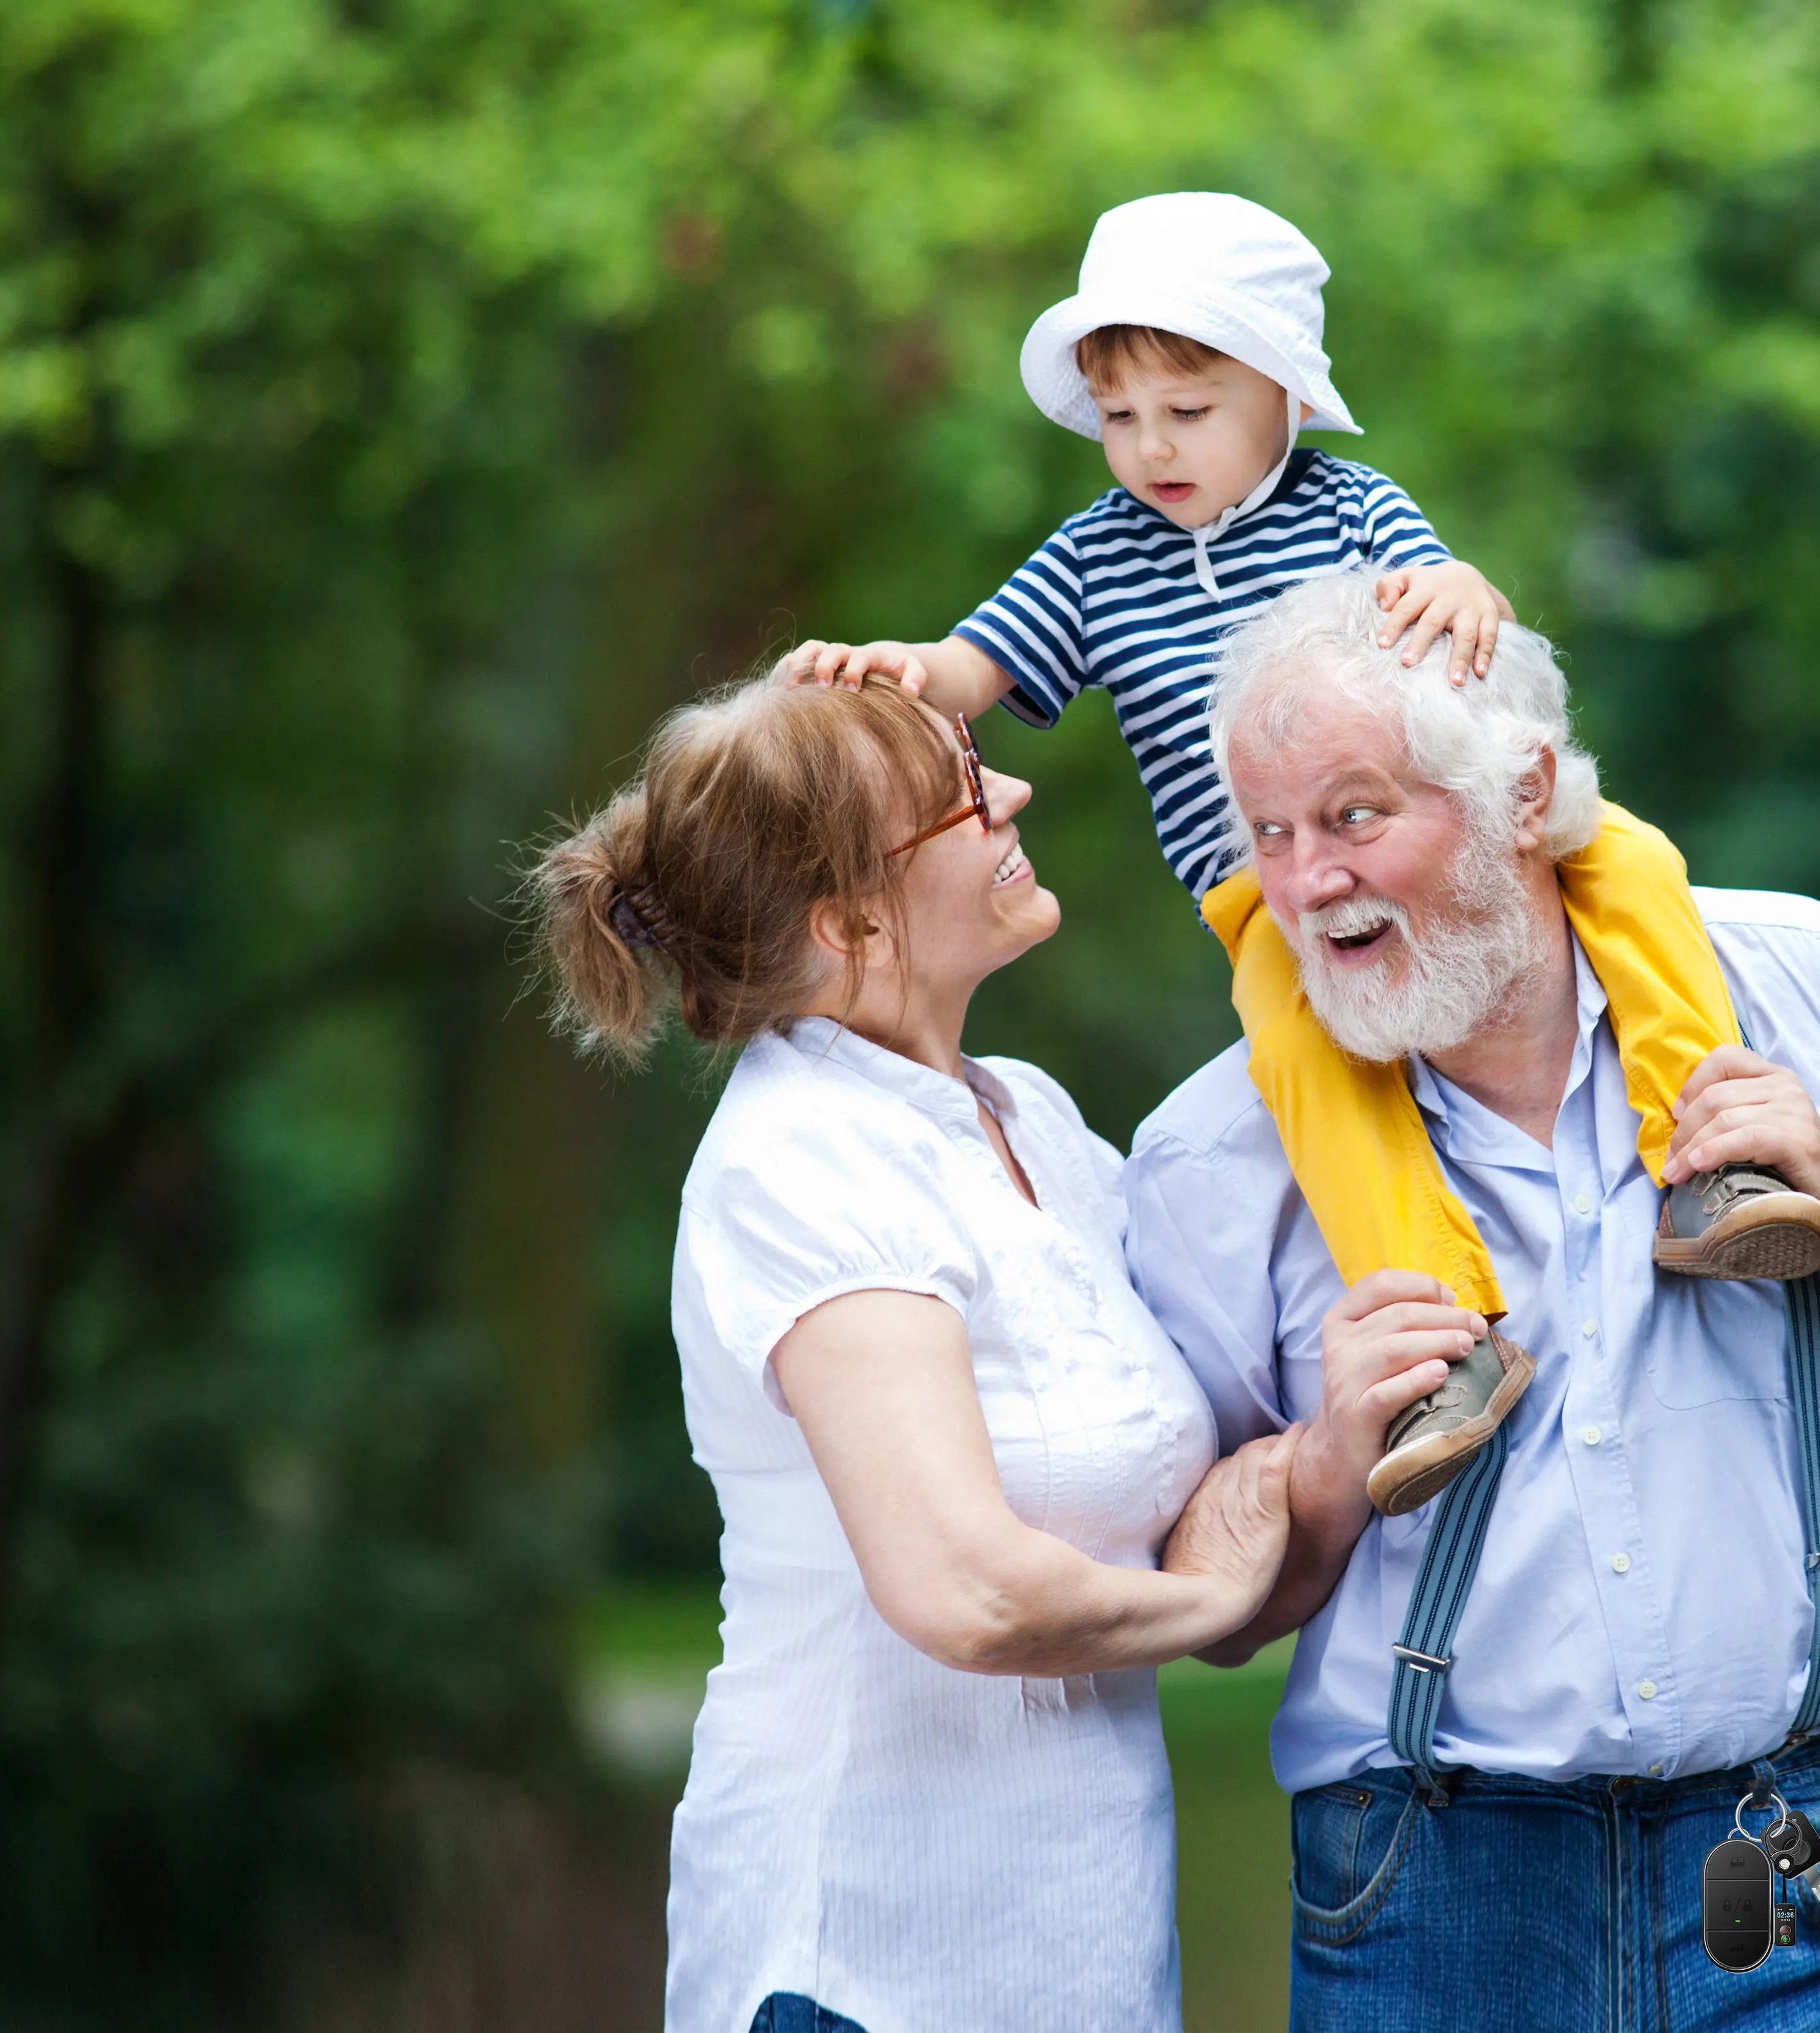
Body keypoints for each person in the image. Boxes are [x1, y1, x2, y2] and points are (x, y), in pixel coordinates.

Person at [1121, 571, 1820, 2030]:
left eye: (1354, 816)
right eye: (1269, 833)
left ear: (1524, 797)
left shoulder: (1805, 982)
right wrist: (1322, 1467)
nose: (1303, 884)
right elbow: (1203, 1610)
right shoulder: (1215, 1150)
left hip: (1798, 1873)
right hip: (1430, 1897)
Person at [788, 191, 1820, 1518]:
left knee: (1633, 868)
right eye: (1120, 418)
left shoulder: (1353, 508)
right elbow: (971, 667)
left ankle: (1708, 1161)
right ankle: (1441, 1328)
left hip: (1428, 824)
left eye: (1188, 409)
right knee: (1308, 1059)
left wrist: (1464, 589)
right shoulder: (1094, 558)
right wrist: (901, 670)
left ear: (1282, 394)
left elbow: (1444, 591)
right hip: (1259, 891)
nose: (1150, 447)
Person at [529, 673, 1294, 2033]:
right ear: (844, 920)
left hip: (1074, 1955)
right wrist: (1209, 1603)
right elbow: (966, 1590)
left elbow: (1196, 1495)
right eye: (956, 795)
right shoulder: (800, 1161)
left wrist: (1333, 1439)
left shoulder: (1033, 1122)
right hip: (867, 1966)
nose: (1011, 792)